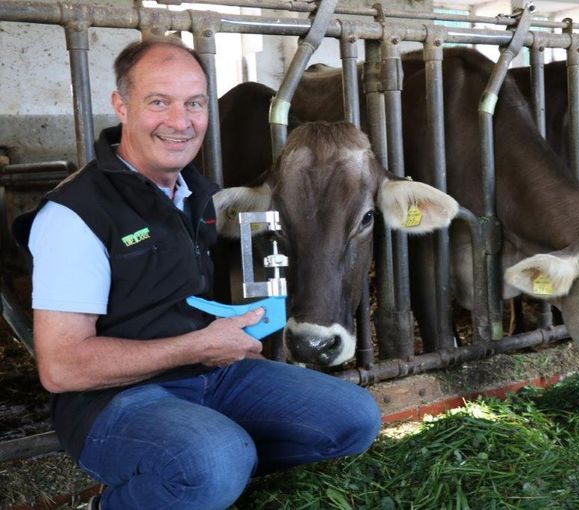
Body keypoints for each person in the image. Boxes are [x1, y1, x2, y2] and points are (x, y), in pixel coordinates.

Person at [13, 37, 381, 510]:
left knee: (354, 418)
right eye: (159, 102)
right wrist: (198, 346)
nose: (180, 122)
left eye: (194, 104)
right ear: (121, 106)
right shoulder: (74, 214)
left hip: (213, 376)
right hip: (114, 402)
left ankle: (208, 465)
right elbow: (61, 368)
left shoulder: (203, 197)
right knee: (214, 460)